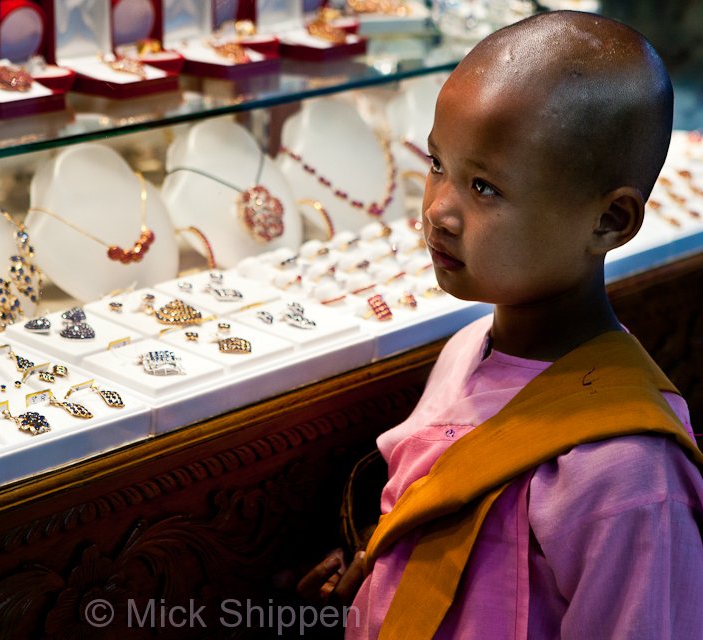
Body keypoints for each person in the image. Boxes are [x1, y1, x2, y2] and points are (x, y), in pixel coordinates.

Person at [298, 10, 703, 639]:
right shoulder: (466, 349)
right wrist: (383, 569)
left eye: (484, 187)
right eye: (438, 165)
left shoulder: (627, 474)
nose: (438, 212)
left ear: (611, 221)